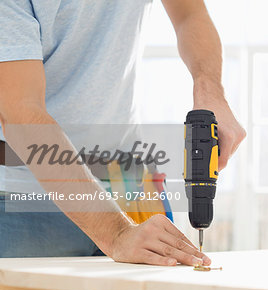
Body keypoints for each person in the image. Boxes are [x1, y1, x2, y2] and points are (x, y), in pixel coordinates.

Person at [0, 0, 246, 266]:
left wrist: (209, 88)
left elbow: (190, 14)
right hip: (27, 199)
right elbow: (20, 113)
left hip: (130, 184)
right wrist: (116, 233)